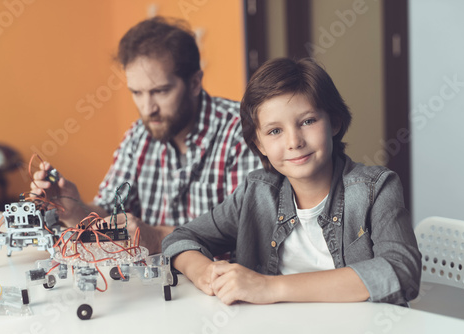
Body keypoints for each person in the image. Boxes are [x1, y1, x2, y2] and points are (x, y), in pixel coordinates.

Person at [162, 57, 422, 305]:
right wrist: (204, 272)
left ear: (334, 123)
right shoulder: (257, 192)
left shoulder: (375, 189)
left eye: (307, 121)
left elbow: (401, 271)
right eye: (275, 131)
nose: (294, 142)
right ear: (259, 144)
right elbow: (181, 238)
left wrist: (268, 287)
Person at [30, 16, 261, 254]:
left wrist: (157, 238)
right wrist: (74, 209)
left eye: (160, 91)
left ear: (194, 83)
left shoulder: (242, 132)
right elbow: (111, 213)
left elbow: (248, 235)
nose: (148, 108)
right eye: (137, 93)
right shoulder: (139, 135)